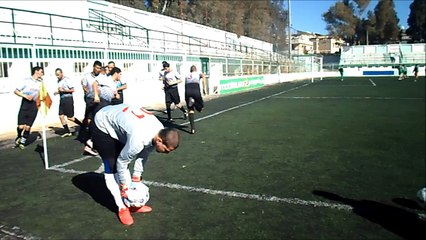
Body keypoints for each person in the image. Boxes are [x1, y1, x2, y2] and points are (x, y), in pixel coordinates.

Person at [91, 104, 180, 225]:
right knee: (112, 167)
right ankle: (122, 207)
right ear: (160, 140)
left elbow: (144, 153)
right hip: (102, 124)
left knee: (123, 164)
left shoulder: (159, 130)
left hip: (120, 122)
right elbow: (122, 162)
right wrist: (124, 187)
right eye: (166, 149)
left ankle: (131, 203)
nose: (167, 153)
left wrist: (136, 177)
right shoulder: (138, 140)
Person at [14, 66, 44, 149]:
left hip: (34, 105)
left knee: (28, 126)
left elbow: (42, 94)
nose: (42, 73)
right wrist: (25, 96)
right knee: (21, 126)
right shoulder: (26, 80)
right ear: (36, 72)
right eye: (41, 72)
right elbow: (16, 91)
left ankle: (22, 142)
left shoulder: (40, 82)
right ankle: (19, 136)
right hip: (25, 103)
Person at [80, 60, 103, 156]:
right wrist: (88, 94)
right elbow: (84, 86)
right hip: (90, 99)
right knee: (89, 120)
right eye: (97, 68)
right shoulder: (87, 76)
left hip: (99, 100)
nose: (98, 70)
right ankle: (88, 139)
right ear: (94, 67)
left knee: (96, 120)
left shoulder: (102, 77)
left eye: (99, 68)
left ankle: (92, 140)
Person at [53, 68, 83, 137]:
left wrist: (63, 90)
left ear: (61, 73)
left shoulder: (67, 80)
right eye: (56, 75)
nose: (57, 76)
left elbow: (72, 90)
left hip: (68, 99)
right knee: (61, 116)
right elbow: (61, 90)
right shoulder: (58, 81)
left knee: (70, 117)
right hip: (62, 99)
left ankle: (82, 125)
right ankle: (67, 131)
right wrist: (57, 92)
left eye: (58, 75)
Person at [185, 65, 206, 134]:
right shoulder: (198, 73)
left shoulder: (187, 75)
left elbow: (185, 84)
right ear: (196, 70)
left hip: (187, 90)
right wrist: (204, 88)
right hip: (195, 89)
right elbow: (203, 76)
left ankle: (192, 128)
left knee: (190, 110)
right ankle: (194, 103)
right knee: (201, 109)